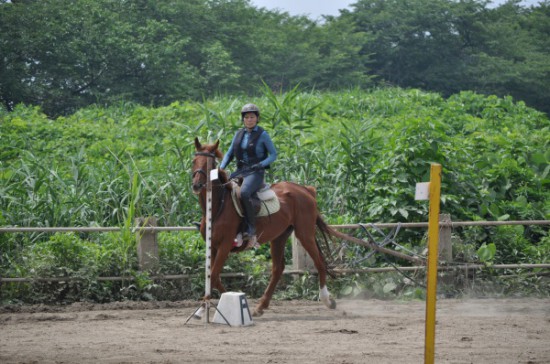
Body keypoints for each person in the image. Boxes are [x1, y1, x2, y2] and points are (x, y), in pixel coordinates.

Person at [220, 103, 277, 245]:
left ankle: (251, 228)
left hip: (255, 172)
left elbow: (274, 155)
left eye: (252, 117)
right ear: (243, 119)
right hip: (240, 171)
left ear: (257, 118)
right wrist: (221, 168)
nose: (249, 120)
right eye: (246, 117)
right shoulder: (238, 134)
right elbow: (229, 154)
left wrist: (261, 164)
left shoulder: (263, 134)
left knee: (244, 193)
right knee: (221, 189)